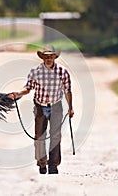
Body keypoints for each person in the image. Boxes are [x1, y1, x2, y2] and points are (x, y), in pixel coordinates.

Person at [9, 45, 74, 174]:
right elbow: (28, 88)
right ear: (43, 58)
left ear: (55, 57)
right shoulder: (36, 71)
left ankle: (53, 165)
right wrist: (18, 94)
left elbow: (68, 91)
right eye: (46, 57)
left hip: (56, 106)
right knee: (39, 136)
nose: (49, 59)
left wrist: (71, 108)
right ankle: (42, 163)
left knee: (55, 136)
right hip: (40, 106)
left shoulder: (63, 72)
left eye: (51, 56)